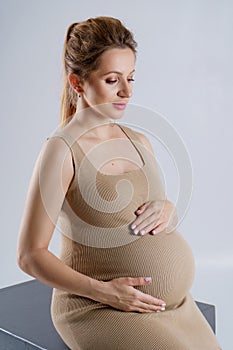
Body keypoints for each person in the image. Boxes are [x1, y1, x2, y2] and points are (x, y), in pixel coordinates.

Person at [17, 16, 222, 350]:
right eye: (113, 80)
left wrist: (166, 208)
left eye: (130, 78)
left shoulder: (140, 140)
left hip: (175, 306)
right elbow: (29, 255)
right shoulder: (62, 151)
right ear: (78, 82)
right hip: (101, 307)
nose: (127, 91)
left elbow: (140, 214)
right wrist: (105, 292)